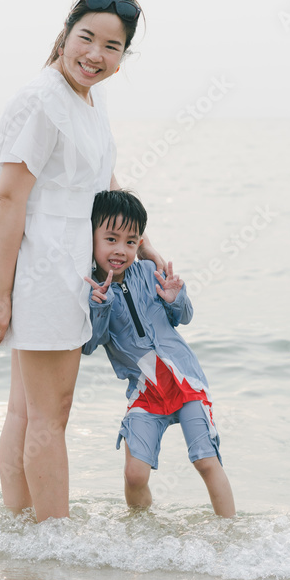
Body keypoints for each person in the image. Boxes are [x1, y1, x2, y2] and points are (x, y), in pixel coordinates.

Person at [0, 0, 164, 522]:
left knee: (26, 410)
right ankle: (54, 541)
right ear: (65, 34)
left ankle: (21, 531)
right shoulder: (43, 99)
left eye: (112, 46)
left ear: (123, 56)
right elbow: (8, 198)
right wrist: (0, 295)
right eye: (87, 38)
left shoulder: (85, 100)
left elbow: (102, 181)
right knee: (49, 414)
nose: (95, 55)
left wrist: (146, 247)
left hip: (63, 268)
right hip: (42, 271)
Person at [82, 190, 236, 518]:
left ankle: (229, 532)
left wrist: (174, 298)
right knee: (134, 475)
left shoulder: (148, 271)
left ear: (139, 243)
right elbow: (91, 344)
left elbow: (184, 316)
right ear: (90, 238)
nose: (120, 250)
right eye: (111, 239)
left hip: (186, 382)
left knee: (206, 461)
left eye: (130, 242)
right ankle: (142, 529)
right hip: (144, 392)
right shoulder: (92, 291)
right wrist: (100, 306)